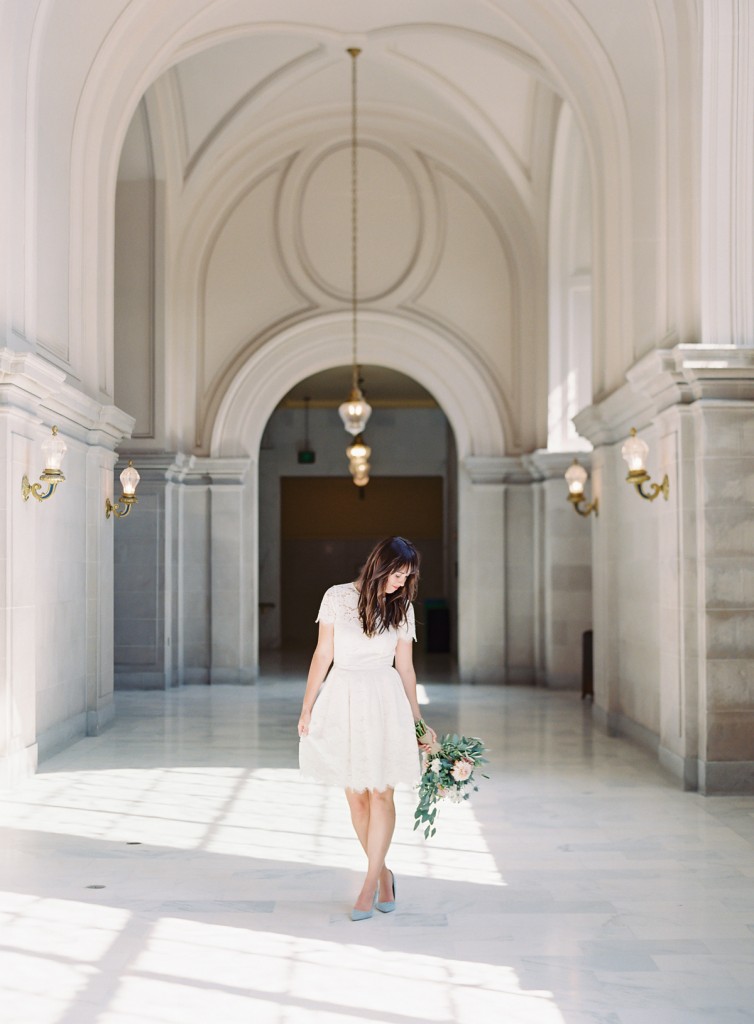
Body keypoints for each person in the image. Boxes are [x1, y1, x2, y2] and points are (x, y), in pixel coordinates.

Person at [298, 536, 436, 921]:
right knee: (356, 797)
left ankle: (368, 883)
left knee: (381, 794)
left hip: (384, 699)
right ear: (380, 565)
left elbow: (406, 669)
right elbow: (322, 654)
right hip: (343, 698)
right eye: (396, 575)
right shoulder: (336, 598)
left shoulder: (402, 607)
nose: (400, 583)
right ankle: (386, 875)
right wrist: (307, 706)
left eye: (407, 577)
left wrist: (418, 720)